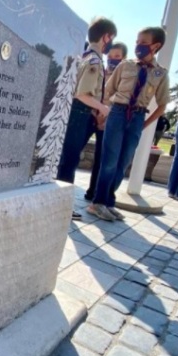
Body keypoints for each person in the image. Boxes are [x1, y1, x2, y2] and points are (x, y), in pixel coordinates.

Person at [86, 26, 170, 221]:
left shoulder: (160, 74)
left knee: (123, 162)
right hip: (118, 112)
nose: (138, 46)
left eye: (144, 43)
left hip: (138, 117)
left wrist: (144, 123)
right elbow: (108, 91)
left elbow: (162, 105)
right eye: (137, 42)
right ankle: (97, 203)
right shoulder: (125, 66)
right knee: (109, 161)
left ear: (156, 46)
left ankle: (108, 201)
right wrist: (102, 113)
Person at [56, 17, 116, 219]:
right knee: (69, 160)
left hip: (78, 113)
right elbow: (82, 94)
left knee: (66, 158)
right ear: (106, 36)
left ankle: (59, 203)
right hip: (80, 113)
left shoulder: (83, 56)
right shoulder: (94, 61)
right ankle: (61, 205)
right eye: (112, 38)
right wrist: (104, 108)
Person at [85, 42, 128, 202]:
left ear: (124, 58)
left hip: (109, 121)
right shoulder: (100, 71)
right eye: (110, 56)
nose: (113, 60)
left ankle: (93, 192)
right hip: (92, 115)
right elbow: (92, 92)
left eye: (117, 56)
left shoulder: (125, 77)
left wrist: (105, 114)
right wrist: (96, 112)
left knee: (102, 158)